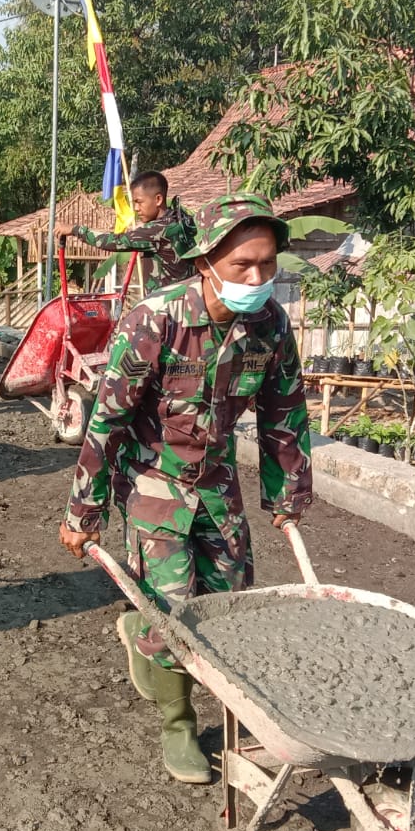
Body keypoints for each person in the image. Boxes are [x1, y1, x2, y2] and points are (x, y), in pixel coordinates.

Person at [58, 193, 314, 784]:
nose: (257, 278)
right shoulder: (155, 319)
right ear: (205, 263)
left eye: (267, 265)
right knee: (173, 610)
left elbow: (284, 412)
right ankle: (178, 724)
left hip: (218, 482)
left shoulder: (269, 324)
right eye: (241, 266)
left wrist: (288, 495)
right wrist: (84, 510)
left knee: (227, 608)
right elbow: (108, 422)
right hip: (154, 480)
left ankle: (148, 637)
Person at [70, 170, 197, 290]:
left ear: (158, 199)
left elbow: (115, 241)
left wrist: (76, 230)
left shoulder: (157, 230)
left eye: (139, 202)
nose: (136, 208)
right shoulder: (179, 221)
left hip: (165, 305)